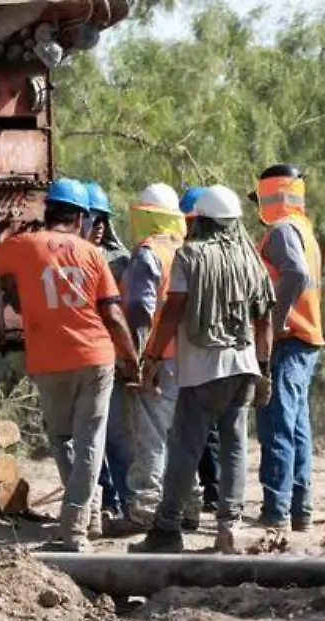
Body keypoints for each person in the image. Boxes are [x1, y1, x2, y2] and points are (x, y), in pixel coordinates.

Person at [0, 177, 140, 551]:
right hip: (95, 358)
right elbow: (112, 314)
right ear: (81, 219)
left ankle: (85, 519)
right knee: (91, 441)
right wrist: (132, 358)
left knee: (62, 441)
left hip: (49, 361)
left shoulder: (23, 247)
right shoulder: (92, 254)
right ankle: (79, 526)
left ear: (48, 214)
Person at [129, 185, 275, 554]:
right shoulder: (251, 259)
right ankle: (230, 527)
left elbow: (173, 311)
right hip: (243, 369)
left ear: (202, 222)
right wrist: (264, 369)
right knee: (235, 446)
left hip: (203, 370)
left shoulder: (189, 257)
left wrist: (152, 357)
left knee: (182, 449)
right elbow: (265, 320)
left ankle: (166, 530)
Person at [115, 183, 201, 533]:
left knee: (151, 437)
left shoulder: (148, 252)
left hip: (157, 360)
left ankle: (146, 509)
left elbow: (139, 307)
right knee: (182, 436)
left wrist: (135, 356)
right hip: (191, 361)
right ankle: (190, 505)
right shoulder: (187, 251)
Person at [250, 164, 324, 533]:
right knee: (296, 427)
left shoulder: (280, 231)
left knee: (277, 425)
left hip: (288, 341)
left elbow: (294, 273)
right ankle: (299, 510)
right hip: (305, 340)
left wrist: (274, 324)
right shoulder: (303, 230)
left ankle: (277, 511)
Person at [86, 180, 133, 516]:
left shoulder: (122, 261)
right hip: (81, 360)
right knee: (87, 439)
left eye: (103, 219)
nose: (99, 226)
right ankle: (100, 501)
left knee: (116, 436)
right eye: (92, 218)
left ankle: (126, 501)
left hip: (112, 361)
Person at [181, 186, 221, 513]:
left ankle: (213, 492)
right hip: (207, 353)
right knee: (209, 431)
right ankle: (213, 493)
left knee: (206, 430)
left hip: (202, 352)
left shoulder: (194, 256)